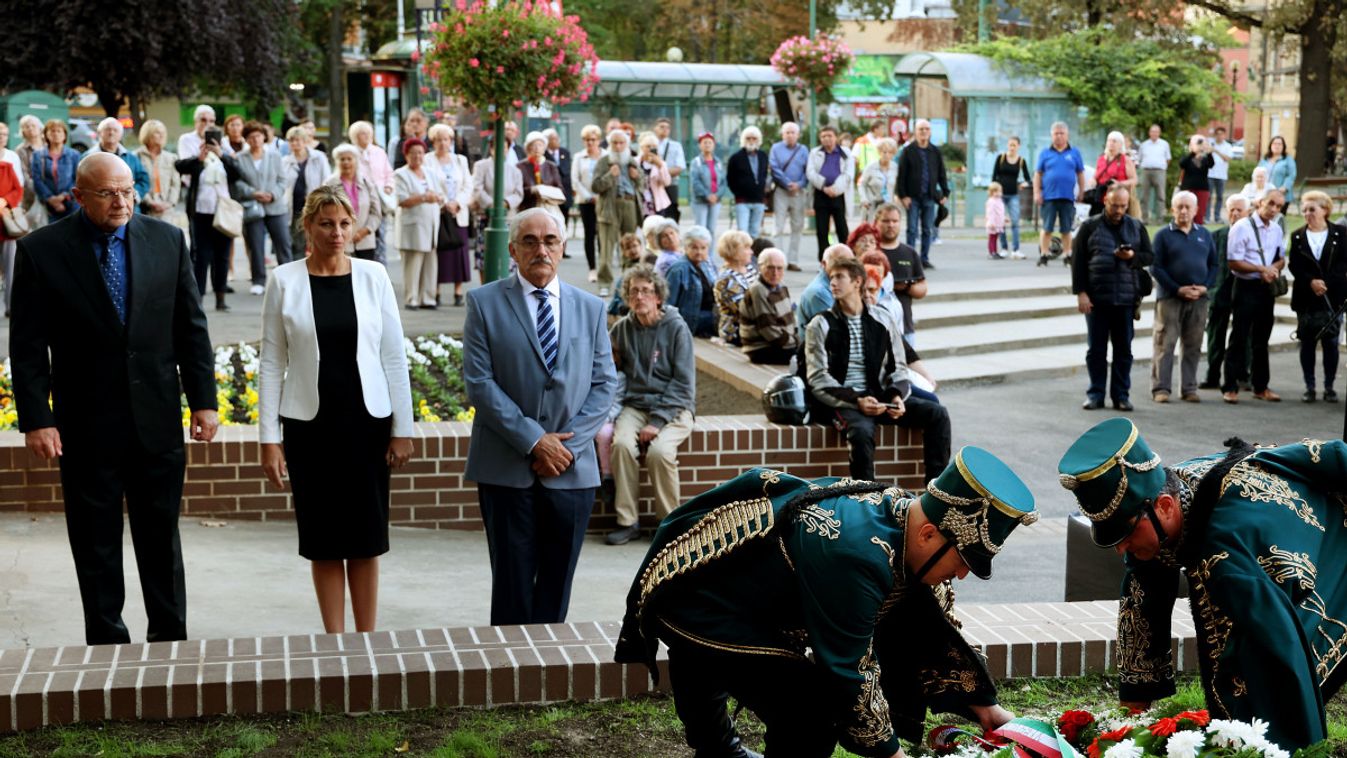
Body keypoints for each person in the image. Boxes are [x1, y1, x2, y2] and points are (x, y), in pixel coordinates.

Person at [616, 456, 1032, 758]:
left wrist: (984, 707)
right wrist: (892, 755)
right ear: (929, 534)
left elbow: (923, 626)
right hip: (692, 598)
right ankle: (717, 746)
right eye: (962, 561)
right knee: (810, 709)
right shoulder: (855, 555)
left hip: (738, 591)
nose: (960, 575)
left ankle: (715, 743)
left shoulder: (904, 516)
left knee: (732, 673)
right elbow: (848, 673)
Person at [10, 153, 217, 645]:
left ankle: (170, 644)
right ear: (79, 196)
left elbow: (191, 328)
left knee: (160, 541)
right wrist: (38, 418)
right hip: (86, 426)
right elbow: (27, 345)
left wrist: (204, 401)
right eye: (107, 193)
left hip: (157, 421)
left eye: (127, 191)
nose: (121, 202)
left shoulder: (168, 240)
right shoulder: (42, 250)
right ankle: (107, 650)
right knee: (95, 545)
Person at [1058, 417, 1347, 751]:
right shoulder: (1173, 489)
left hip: (1328, 554)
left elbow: (1274, 645)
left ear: (1165, 507)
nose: (1121, 547)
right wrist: (1135, 706)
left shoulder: (1226, 552)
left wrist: (1253, 738)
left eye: (1125, 533)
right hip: (1277, 558)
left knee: (1257, 669)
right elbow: (1143, 587)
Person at [258, 185, 414, 633]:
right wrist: (270, 440)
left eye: (344, 223)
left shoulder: (374, 276)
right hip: (310, 428)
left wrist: (402, 428)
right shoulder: (283, 280)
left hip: (368, 424)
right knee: (324, 540)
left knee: (366, 538)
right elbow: (272, 363)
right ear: (307, 226)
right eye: (326, 223)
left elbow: (393, 356)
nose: (337, 232)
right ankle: (335, 643)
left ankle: (366, 640)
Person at [462, 207, 618, 624]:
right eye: (529, 241)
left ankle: (550, 678)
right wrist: (535, 440)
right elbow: (479, 383)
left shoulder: (590, 307)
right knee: (511, 584)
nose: (541, 249)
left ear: (563, 248)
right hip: (506, 467)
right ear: (512, 249)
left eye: (550, 241)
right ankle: (511, 678)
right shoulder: (483, 302)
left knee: (556, 582)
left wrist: (566, 446)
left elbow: (605, 384)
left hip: (572, 468)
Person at [805, 256, 951, 483]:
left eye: (839, 277)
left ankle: (937, 492)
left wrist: (896, 396)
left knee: (937, 414)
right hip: (844, 401)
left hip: (881, 397)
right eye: (831, 277)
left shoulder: (882, 318)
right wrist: (857, 400)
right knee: (862, 433)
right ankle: (868, 501)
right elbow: (817, 379)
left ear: (857, 282)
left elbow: (899, 367)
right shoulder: (820, 324)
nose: (833, 283)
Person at [605, 264, 695, 546]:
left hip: (675, 407)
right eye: (634, 291)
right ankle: (627, 521)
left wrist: (657, 421)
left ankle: (669, 525)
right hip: (635, 405)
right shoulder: (621, 329)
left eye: (646, 291)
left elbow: (683, 383)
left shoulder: (677, 328)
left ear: (658, 297)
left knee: (659, 452)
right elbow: (608, 371)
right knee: (620, 446)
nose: (639, 296)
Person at [1071, 185, 1154, 412]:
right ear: (1106, 201)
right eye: (1114, 205)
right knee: (1096, 350)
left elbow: (1149, 255)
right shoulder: (1089, 226)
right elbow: (1077, 262)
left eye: (1123, 206)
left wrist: (1132, 256)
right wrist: (1081, 293)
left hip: (1126, 300)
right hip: (1097, 299)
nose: (1118, 210)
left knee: (1123, 351)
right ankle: (1095, 393)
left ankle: (1121, 396)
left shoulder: (1136, 226)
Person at [1149, 191, 1218, 403]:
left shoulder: (1204, 234)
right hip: (1170, 298)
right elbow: (1155, 267)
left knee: (1193, 345)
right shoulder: (1163, 235)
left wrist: (1205, 287)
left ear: (1196, 210)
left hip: (1199, 299)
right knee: (1165, 344)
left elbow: (1214, 265)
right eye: (1179, 207)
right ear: (1172, 209)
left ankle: (1189, 388)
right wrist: (1177, 289)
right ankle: (1161, 388)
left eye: (1188, 207)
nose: (1184, 211)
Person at [1221, 189, 1286, 403]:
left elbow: (1280, 258)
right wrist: (1261, 269)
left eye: (1278, 206)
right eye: (1271, 204)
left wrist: (1272, 269)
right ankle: (1230, 386)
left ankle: (1261, 386)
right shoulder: (1242, 227)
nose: (1274, 209)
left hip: (1265, 288)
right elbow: (1233, 261)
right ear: (1260, 202)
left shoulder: (1276, 229)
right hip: (1245, 285)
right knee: (1239, 336)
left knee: (1262, 339)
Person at [1287, 190, 1347, 403]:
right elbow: (1294, 264)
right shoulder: (1297, 235)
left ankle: (1329, 386)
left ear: (1325, 210)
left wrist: (1326, 283)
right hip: (1307, 298)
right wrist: (1311, 281)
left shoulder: (1340, 233)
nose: (1307, 213)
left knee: (1331, 344)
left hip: (1333, 299)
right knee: (1308, 343)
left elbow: (1343, 263)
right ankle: (1309, 386)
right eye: (1304, 210)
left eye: (1312, 209)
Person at [175, 125, 242, 310]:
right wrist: (199, 158)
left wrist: (222, 155)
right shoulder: (198, 156)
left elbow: (238, 173)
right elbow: (179, 166)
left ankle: (221, 298)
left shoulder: (225, 154)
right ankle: (199, 299)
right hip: (200, 213)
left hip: (223, 212)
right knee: (201, 256)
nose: (212, 142)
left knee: (222, 256)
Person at [234, 121, 293, 295]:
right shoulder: (240, 158)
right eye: (251, 137)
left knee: (283, 244)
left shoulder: (274, 156)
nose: (255, 140)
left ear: (264, 137)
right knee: (256, 245)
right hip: (253, 207)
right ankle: (258, 280)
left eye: (258, 136)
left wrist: (272, 194)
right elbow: (237, 183)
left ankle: (288, 280)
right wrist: (254, 193)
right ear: (246, 139)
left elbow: (283, 180)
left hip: (275, 207)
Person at [1201, 195, 1251, 391]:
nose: (1235, 213)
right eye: (1232, 210)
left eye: (1240, 210)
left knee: (1243, 336)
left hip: (1244, 292)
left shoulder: (1251, 235)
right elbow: (1208, 263)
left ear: (1248, 213)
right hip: (1219, 291)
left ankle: (1242, 375)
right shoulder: (1217, 235)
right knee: (1215, 334)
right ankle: (1212, 375)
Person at [591, 129, 646, 296]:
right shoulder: (603, 162)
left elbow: (642, 185)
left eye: (621, 143)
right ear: (609, 144)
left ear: (627, 144)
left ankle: (629, 281)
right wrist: (610, 176)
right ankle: (605, 283)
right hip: (609, 208)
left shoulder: (632, 161)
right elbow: (595, 186)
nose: (618, 146)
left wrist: (636, 177)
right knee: (607, 248)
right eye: (614, 142)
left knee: (631, 246)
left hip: (629, 205)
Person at [394, 138, 446, 309]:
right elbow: (401, 200)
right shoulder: (400, 174)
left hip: (431, 225)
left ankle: (428, 298)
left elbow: (440, 194)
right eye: (413, 153)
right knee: (413, 264)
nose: (417, 156)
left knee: (431, 263)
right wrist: (424, 197)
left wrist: (437, 197)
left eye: (420, 153)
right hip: (412, 226)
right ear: (406, 155)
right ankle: (412, 299)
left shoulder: (430, 172)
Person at [428, 124, 473, 306]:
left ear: (451, 141)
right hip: (439, 212)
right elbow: (429, 184)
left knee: (459, 252)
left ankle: (458, 292)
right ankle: (436, 291)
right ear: (433, 142)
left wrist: (458, 203)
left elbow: (468, 185)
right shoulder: (427, 160)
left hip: (458, 213)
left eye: (445, 139)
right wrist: (446, 203)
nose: (442, 143)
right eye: (438, 140)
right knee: (439, 252)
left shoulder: (460, 160)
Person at [470, 137, 525, 283]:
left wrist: (505, 203)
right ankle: (485, 286)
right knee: (485, 255)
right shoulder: (481, 166)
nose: (502, 151)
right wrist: (493, 205)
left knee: (508, 257)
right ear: (492, 149)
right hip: (487, 217)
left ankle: (506, 288)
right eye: (498, 147)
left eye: (505, 147)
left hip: (508, 218)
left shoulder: (515, 170)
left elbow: (519, 193)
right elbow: (477, 188)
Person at [896, 119, 949, 267]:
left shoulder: (935, 151)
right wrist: (903, 195)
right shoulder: (908, 151)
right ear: (916, 132)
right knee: (912, 229)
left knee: (927, 229)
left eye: (926, 129)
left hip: (930, 196)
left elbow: (941, 173)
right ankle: (911, 260)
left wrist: (945, 192)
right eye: (921, 129)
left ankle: (924, 259)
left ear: (930, 132)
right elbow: (901, 175)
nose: (924, 132)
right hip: (912, 197)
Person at [1033, 121, 1085, 265]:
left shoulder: (1074, 153)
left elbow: (1080, 173)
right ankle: (1044, 254)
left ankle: (1067, 254)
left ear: (1067, 135)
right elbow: (1038, 174)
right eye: (1056, 133)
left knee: (1066, 229)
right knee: (1047, 227)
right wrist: (1037, 192)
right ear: (1051, 135)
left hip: (1068, 197)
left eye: (1062, 133)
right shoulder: (1045, 153)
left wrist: (1081, 191)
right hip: (1049, 197)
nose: (1059, 136)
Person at [875, 202, 926, 346]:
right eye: (885, 221)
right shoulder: (871, 253)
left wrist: (906, 287)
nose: (890, 225)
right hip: (876, 329)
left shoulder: (910, 253)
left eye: (894, 221)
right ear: (876, 222)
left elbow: (923, 288)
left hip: (905, 329)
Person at [323, 144, 383, 261]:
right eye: (342, 159)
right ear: (336, 162)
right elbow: (324, 214)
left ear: (356, 161)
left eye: (349, 159)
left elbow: (376, 212)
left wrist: (364, 231)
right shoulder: (329, 184)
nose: (346, 162)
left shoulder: (366, 183)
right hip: (338, 241)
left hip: (365, 241)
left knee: (364, 276)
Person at [740, 248, 798, 365]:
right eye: (770, 268)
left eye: (779, 268)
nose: (775, 273)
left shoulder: (782, 286)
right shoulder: (758, 290)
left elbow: (791, 320)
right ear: (760, 268)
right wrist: (796, 342)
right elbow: (768, 329)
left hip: (781, 344)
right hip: (761, 348)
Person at [349, 120, 396, 265]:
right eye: (363, 133)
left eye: (369, 133)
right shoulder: (351, 153)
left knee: (380, 235)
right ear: (355, 136)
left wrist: (388, 186)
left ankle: (382, 271)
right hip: (360, 201)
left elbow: (389, 173)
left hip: (380, 199)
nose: (367, 136)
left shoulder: (378, 151)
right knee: (364, 236)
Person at [283, 125, 332, 257]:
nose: (295, 143)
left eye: (298, 140)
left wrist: (316, 196)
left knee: (317, 239)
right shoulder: (285, 161)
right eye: (291, 140)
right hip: (294, 207)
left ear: (305, 141)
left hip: (315, 205)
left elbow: (327, 179)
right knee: (297, 242)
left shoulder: (319, 157)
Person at [807, 126, 853, 259]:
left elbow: (848, 174)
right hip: (821, 194)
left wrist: (836, 189)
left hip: (839, 195)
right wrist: (823, 186)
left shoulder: (845, 153)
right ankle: (824, 258)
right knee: (822, 230)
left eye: (830, 136)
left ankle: (847, 257)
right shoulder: (815, 152)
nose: (827, 139)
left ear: (836, 137)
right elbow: (810, 172)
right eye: (823, 136)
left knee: (842, 228)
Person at [665, 225, 719, 338]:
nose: (699, 252)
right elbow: (667, 303)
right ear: (686, 248)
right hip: (691, 321)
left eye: (703, 248)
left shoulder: (707, 264)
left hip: (710, 316)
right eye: (694, 247)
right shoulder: (678, 269)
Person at [85, 118, 151, 210]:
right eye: (107, 129)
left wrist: (132, 195)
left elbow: (144, 180)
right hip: (99, 209)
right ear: (99, 133)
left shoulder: (131, 157)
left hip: (129, 209)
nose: (111, 133)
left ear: (120, 135)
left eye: (115, 130)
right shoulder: (88, 158)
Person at [769, 122, 809, 270]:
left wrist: (799, 184)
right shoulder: (776, 148)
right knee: (778, 226)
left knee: (797, 226)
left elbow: (808, 169)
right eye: (787, 132)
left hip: (799, 192)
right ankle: (778, 259)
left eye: (793, 132)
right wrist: (787, 183)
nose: (790, 135)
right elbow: (774, 168)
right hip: (781, 191)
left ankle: (793, 260)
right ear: (782, 134)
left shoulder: (804, 150)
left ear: (798, 135)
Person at [796, 243, 854, 342]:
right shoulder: (819, 293)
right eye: (840, 261)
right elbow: (838, 331)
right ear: (824, 264)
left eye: (851, 262)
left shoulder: (844, 284)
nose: (846, 266)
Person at [134, 120, 183, 228]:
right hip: (145, 208)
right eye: (157, 132)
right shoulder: (136, 156)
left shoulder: (171, 157)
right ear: (148, 134)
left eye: (163, 132)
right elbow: (136, 181)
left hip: (166, 209)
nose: (161, 135)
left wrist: (169, 203)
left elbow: (175, 184)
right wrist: (150, 202)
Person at [572, 124, 605, 283]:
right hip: (586, 201)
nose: (589, 143)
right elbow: (575, 180)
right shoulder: (578, 157)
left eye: (592, 139)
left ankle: (603, 266)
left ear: (598, 140)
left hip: (603, 201)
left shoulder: (606, 155)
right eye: (586, 140)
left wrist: (600, 196)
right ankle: (592, 268)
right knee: (590, 234)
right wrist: (589, 196)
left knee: (603, 234)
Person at [32, 119, 81, 222]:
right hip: (48, 205)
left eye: (59, 131)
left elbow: (78, 179)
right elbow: (37, 180)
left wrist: (63, 196)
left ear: (64, 135)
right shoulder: (38, 155)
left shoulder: (74, 154)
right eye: (52, 131)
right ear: (46, 134)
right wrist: (51, 199)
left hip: (71, 203)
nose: (55, 134)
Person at [991, 136, 1032, 258]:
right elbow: (994, 176)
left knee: (1014, 221)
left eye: (1014, 145)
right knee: (1001, 222)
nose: (1012, 147)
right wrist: (994, 193)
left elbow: (1028, 179)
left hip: (1013, 194)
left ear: (1018, 146)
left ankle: (1016, 249)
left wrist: (1024, 184)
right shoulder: (1001, 158)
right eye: (1010, 145)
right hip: (1000, 195)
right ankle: (1004, 248)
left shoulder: (1021, 161)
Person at [713, 230, 754, 346]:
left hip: (755, 325)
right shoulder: (726, 279)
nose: (751, 252)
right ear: (734, 252)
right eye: (746, 248)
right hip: (736, 331)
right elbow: (744, 309)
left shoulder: (750, 269)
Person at [727, 126, 769, 238]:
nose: (751, 141)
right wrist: (738, 192)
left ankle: (752, 255)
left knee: (755, 231)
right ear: (743, 140)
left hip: (759, 200)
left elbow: (764, 174)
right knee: (743, 232)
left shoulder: (763, 156)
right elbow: (730, 178)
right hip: (742, 201)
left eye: (754, 138)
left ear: (758, 140)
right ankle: (741, 255)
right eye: (748, 138)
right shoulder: (736, 158)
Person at [518, 131, 565, 216]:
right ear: (528, 148)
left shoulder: (551, 166)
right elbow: (517, 190)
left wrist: (546, 191)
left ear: (544, 148)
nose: (537, 148)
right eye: (533, 145)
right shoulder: (520, 166)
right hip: (527, 208)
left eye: (540, 145)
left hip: (549, 208)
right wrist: (532, 190)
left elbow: (560, 188)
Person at [1092, 131, 1137, 217]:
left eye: (1114, 141)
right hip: (1101, 197)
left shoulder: (1125, 160)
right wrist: (1093, 180)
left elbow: (1134, 180)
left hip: (1118, 197)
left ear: (1120, 144)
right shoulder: (1101, 159)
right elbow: (1096, 176)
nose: (1111, 143)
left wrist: (1119, 184)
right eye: (1109, 141)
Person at [688, 132, 724, 234]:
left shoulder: (718, 162)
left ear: (714, 145)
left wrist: (717, 195)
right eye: (705, 142)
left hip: (715, 201)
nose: (707, 145)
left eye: (710, 142)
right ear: (700, 145)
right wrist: (707, 195)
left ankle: (711, 250)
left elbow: (722, 182)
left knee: (712, 229)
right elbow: (695, 182)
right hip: (700, 201)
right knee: (701, 230)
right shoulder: (696, 162)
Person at [1177, 134, 1216, 226]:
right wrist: (1193, 152)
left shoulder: (1205, 158)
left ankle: (1198, 229)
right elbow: (1182, 164)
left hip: (1202, 188)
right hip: (1188, 188)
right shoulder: (1187, 157)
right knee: (1186, 210)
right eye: (1197, 143)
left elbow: (1211, 164)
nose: (1199, 146)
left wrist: (1209, 152)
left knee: (1200, 212)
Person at [0, 154, 21, 316]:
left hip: (6, 227)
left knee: (11, 268)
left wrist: (5, 201)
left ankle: (10, 306)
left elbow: (18, 189)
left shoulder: (6, 167)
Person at [1136, 124, 1171, 224]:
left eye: (1156, 131)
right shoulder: (1144, 145)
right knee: (1143, 197)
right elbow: (1139, 159)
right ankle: (1144, 219)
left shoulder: (1164, 144)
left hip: (1160, 172)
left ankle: (1160, 220)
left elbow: (1168, 159)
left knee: (1161, 196)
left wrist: (1163, 167)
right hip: (1146, 171)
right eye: (1152, 131)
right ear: (1149, 133)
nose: (1154, 133)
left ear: (1159, 133)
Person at [857, 137, 898, 220]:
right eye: (884, 152)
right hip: (871, 204)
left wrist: (896, 197)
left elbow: (897, 185)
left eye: (890, 152)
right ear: (879, 152)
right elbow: (861, 184)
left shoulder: (895, 167)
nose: (887, 155)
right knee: (871, 230)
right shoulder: (870, 167)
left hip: (887, 205)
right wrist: (864, 199)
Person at [653, 117, 685, 222]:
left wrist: (662, 174)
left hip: (670, 185)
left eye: (667, 128)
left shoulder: (676, 146)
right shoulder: (650, 145)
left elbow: (680, 167)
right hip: (653, 185)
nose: (665, 129)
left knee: (671, 216)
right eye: (661, 127)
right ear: (655, 129)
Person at [544, 128, 574, 231]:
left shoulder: (565, 152)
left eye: (557, 138)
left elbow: (566, 170)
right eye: (553, 138)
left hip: (565, 193)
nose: (556, 140)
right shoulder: (543, 154)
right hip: (551, 195)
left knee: (563, 225)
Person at [1258, 136, 1297, 210]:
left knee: (1277, 218)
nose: (1277, 146)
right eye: (1275, 144)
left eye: (1280, 144)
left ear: (1283, 147)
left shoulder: (1288, 159)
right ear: (1270, 146)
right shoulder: (1264, 159)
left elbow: (1291, 175)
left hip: (1281, 194)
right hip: (1265, 194)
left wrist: (1285, 187)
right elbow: (1258, 173)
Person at [1207, 126, 1234, 222]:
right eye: (1217, 134)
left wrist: (1216, 151)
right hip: (1210, 174)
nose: (1219, 136)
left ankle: (1217, 217)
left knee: (1219, 197)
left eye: (1221, 134)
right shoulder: (1210, 144)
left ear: (1224, 135)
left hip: (1222, 175)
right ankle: (1207, 217)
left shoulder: (1228, 146)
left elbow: (1227, 159)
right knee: (1208, 197)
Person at [985, 181, 1006, 260]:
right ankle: (992, 252)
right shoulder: (991, 202)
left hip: (998, 222)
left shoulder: (999, 201)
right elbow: (990, 213)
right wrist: (991, 222)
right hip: (993, 223)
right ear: (991, 192)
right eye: (996, 191)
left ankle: (995, 251)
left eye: (1000, 191)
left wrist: (1004, 218)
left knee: (995, 237)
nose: (998, 193)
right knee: (992, 238)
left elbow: (1000, 212)